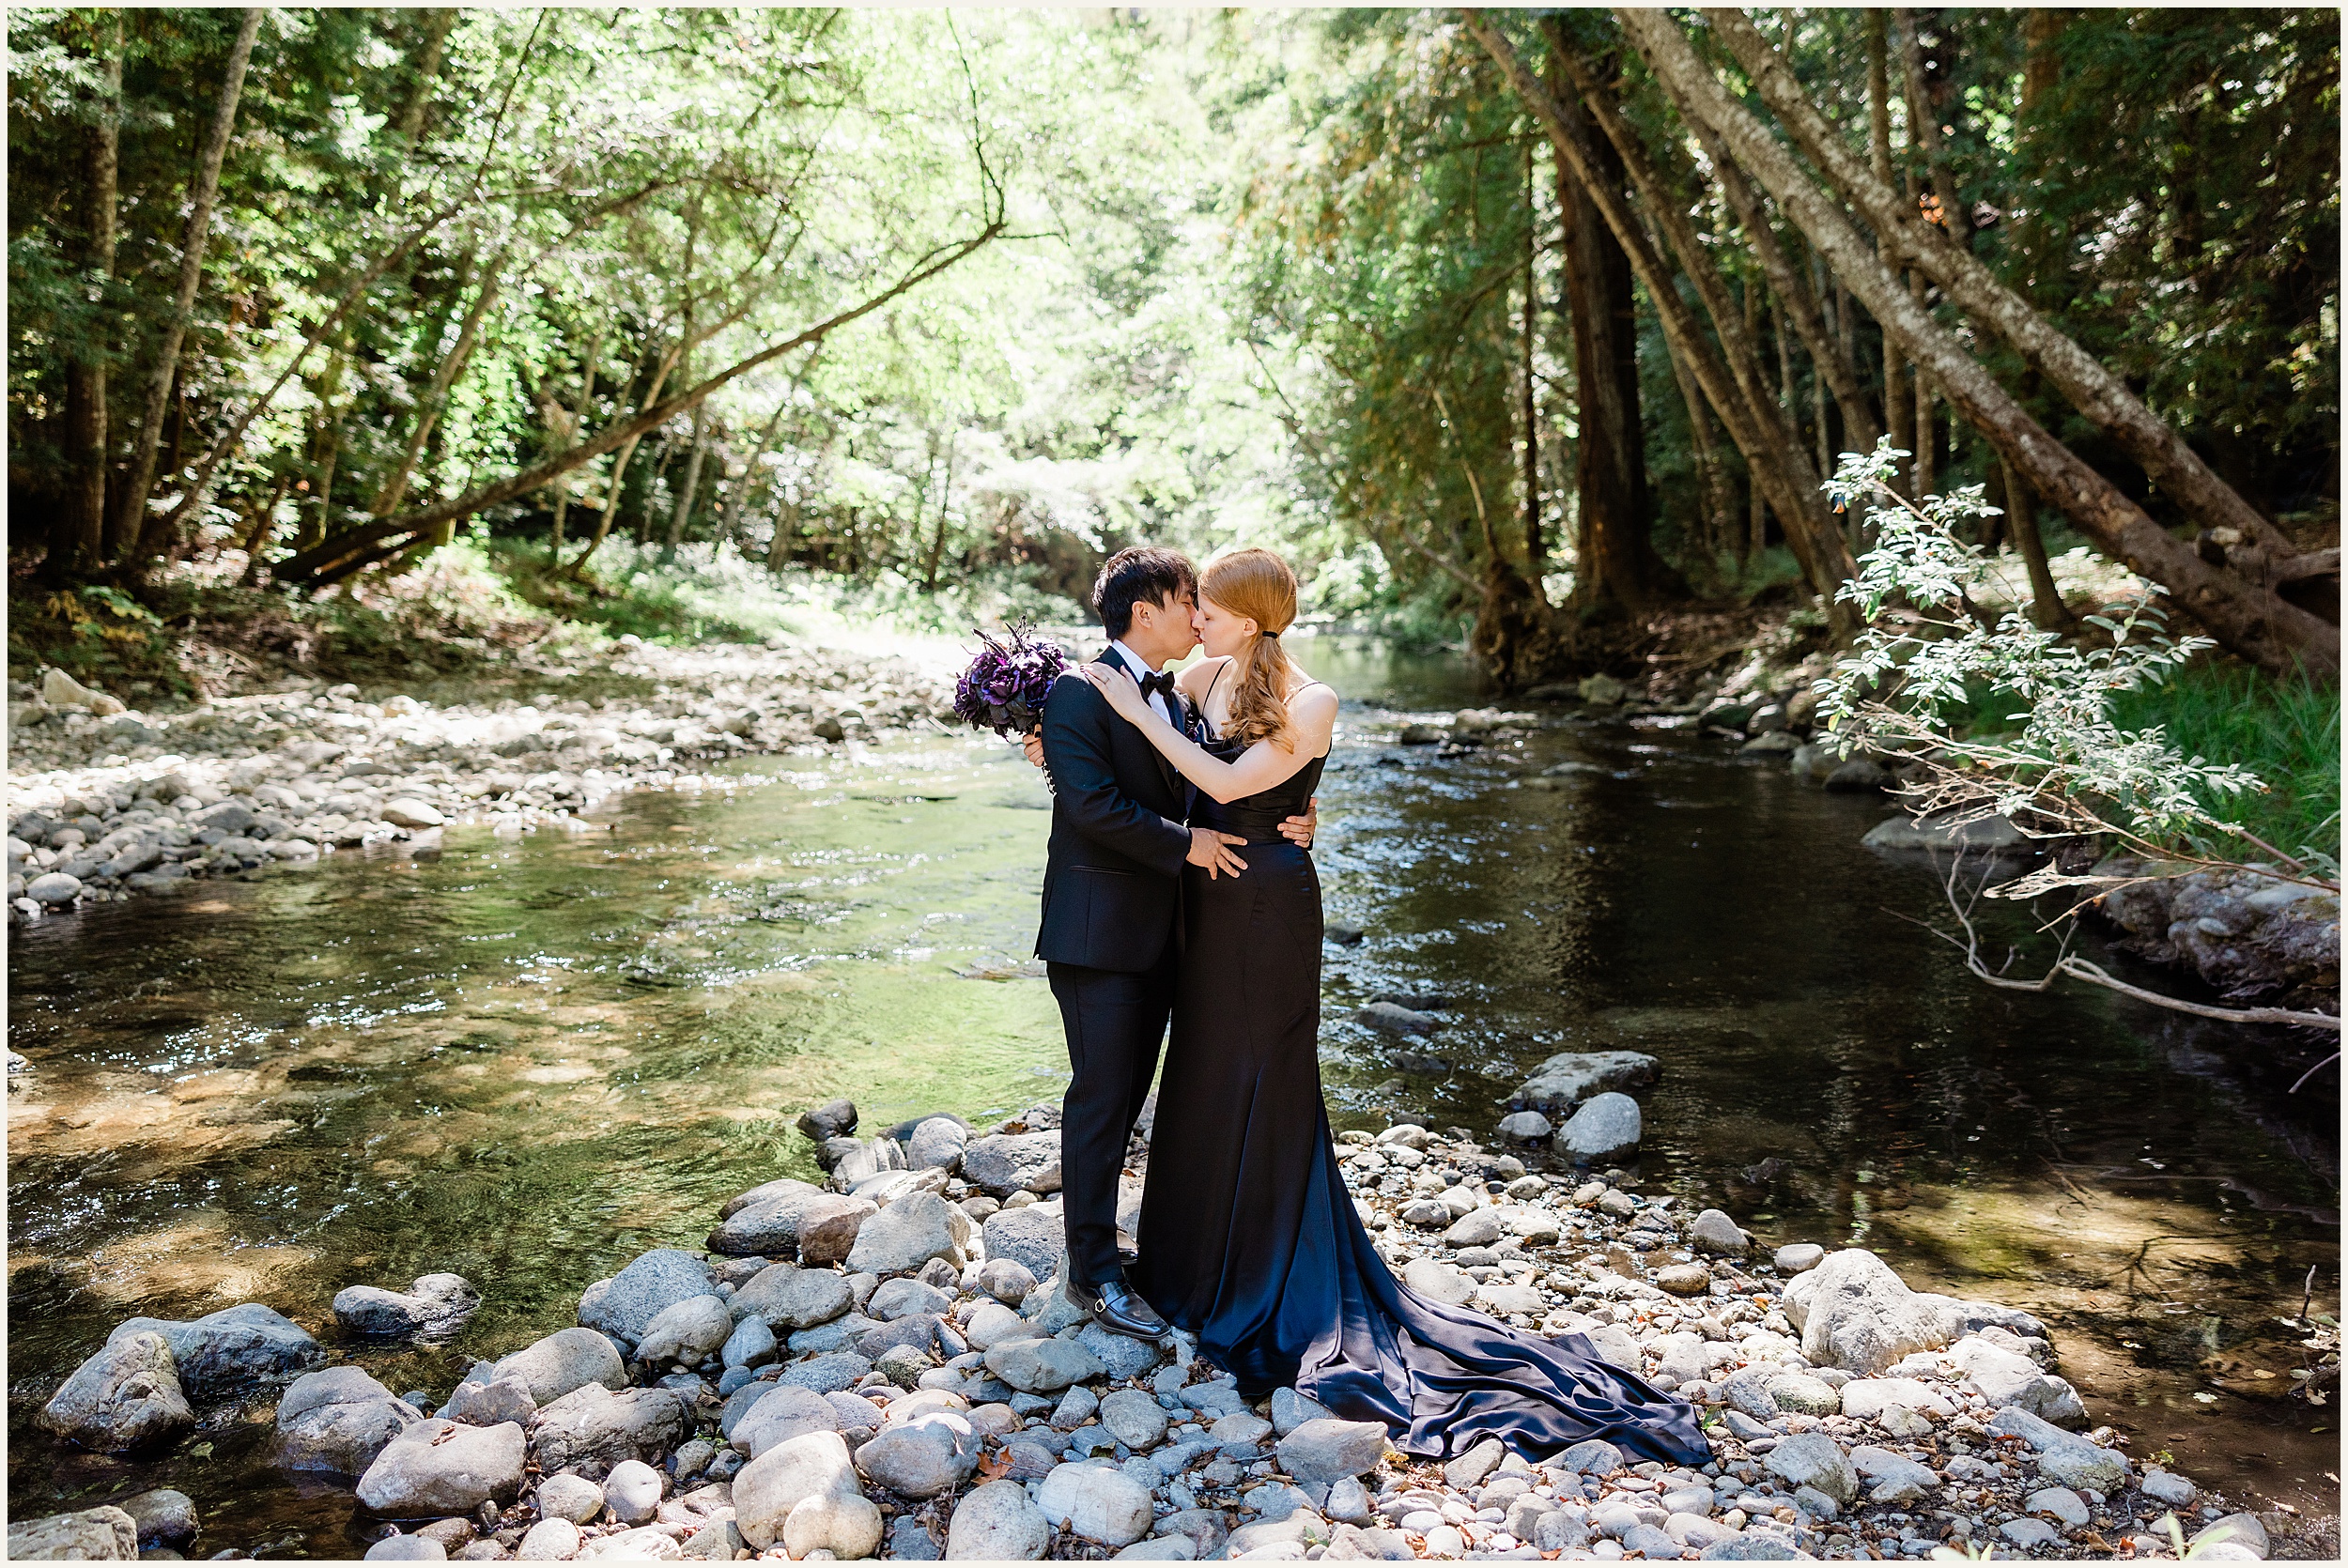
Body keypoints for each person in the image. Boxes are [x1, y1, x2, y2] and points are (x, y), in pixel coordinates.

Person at [1079, 546, 1711, 1467]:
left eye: (1206, 606)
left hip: (1267, 912)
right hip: (1203, 908)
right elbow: (1162, 771)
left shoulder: (1315, 700)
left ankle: (1265, 1280)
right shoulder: (1204, 673)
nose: (1193, 619)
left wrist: (1145, 716)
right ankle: (1186, 1264)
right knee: (1204, 1073)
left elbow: (1222, 782)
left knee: (1264, 1075)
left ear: (1250, 615)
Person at [1031, 546, 1315, 1342]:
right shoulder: (1080, 692)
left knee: (1131, 1100)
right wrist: (1184, 845)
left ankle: (1109, 1247)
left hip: (1178, 935)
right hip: (1100, 935)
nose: (1198, 613)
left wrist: (1299, 810)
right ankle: (1091, 1275)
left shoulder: (1187, 694)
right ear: (1144, 610)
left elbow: (1228, 774)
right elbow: (1091, 809)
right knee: (1102, 1098)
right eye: (1187, 598)